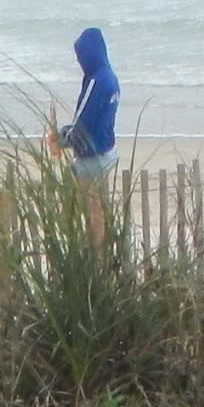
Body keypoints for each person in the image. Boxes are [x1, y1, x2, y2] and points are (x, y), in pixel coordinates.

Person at [52, 25, 121, 245]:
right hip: (107, 151)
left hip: (92, 156)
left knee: (78, 209)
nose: (78, 61)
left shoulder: (96, 81)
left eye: (80, 56)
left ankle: (91, 253)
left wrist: (61, 138)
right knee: (98, 209)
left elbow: (82, 122)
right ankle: (101, 251)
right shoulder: (110, 77)